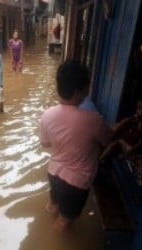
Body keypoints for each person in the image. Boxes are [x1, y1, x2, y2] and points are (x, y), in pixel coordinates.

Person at [39, 60, 112, 232]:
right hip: (76, 184)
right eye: (88, 86)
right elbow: (107, 140)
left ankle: (43, 227)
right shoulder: (93, 120)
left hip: (53, 173)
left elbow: (45, 143)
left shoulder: (47, 115)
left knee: (53, 204)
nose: (89, 90)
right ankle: (54, 240)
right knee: (65, 220)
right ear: (78, 92)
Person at [99, 99, 142, 164]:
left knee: (116, 143)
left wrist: (127, 154)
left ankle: (100, 160)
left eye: (141, 108)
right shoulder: (136, 121)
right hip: (125, 144)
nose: (137, 110)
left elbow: (140, 144)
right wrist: (133, 118)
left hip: (133, 150)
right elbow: (122, 124)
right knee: (109, 141)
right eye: (137, 108)